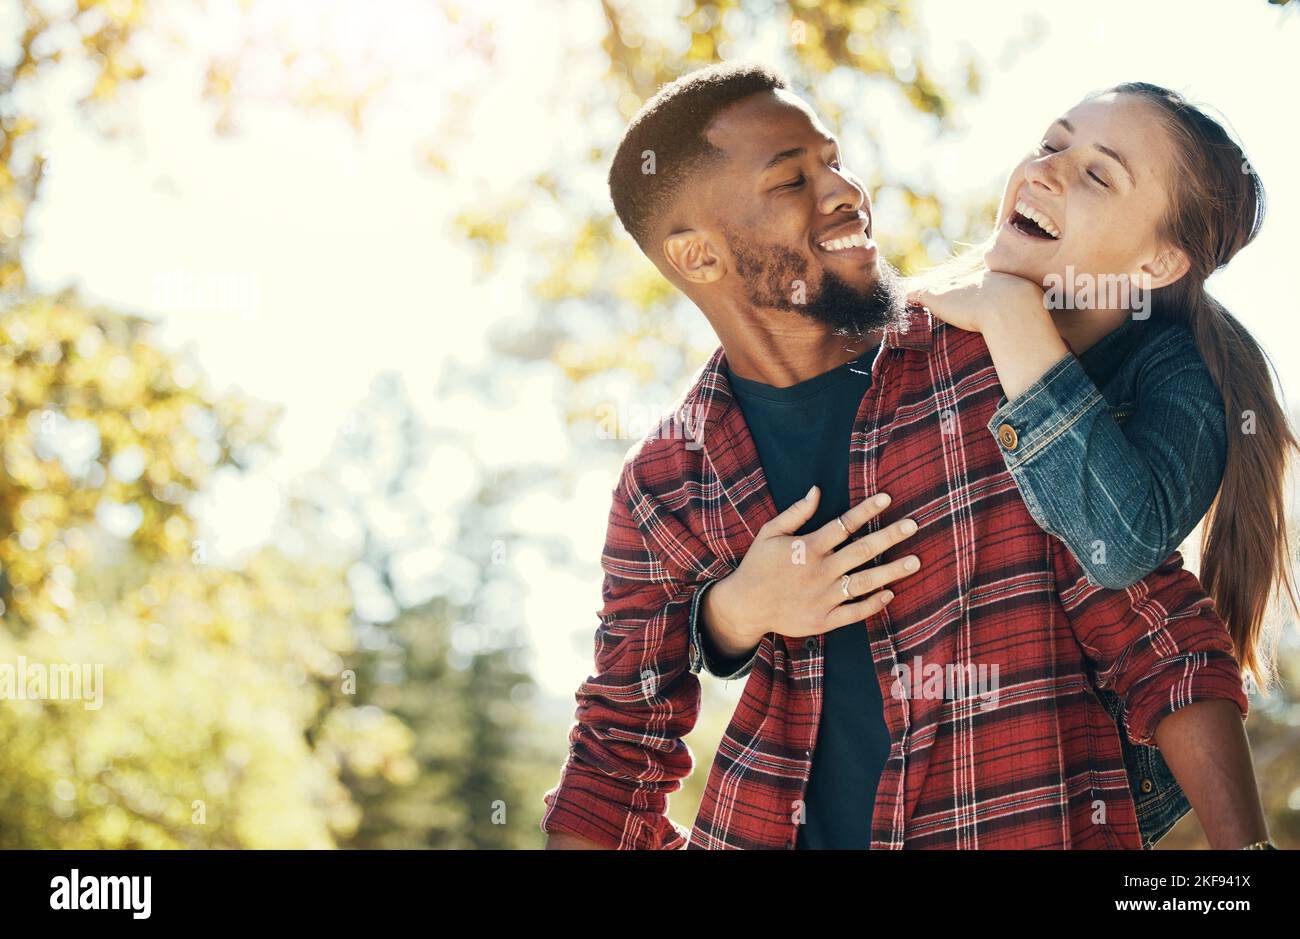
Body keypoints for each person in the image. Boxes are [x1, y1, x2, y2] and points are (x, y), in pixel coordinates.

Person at [541, 63, 1270, 849]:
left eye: (834, 158)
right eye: (792, 180)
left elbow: (1153, 634)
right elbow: (615, 753)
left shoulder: (1005, 370)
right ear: (698, 256)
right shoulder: (662, 485)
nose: (847, 189)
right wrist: (734, 609)